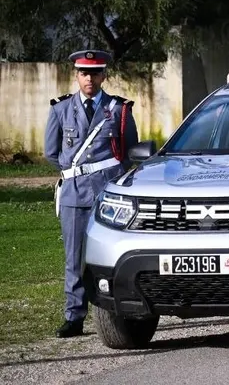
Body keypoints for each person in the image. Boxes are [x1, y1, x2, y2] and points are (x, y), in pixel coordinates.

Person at [43, 49, 139, 337]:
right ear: (76, 75)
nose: (89, 78)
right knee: (73, 258)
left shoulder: (118, 109)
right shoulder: (61, 109)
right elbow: (51, 152)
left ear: (104, 75)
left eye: (95, 72)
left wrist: (107, 176)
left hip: (106, 195)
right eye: (84, 72)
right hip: (74, 194)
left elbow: (129, 151)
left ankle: (112, 311)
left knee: (108, 254)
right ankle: (74, 317)